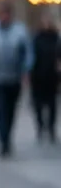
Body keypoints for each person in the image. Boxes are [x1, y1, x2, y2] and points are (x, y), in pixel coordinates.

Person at [0, 0, 33, 157]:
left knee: (10, 110)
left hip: (13, 78)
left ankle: (7, 137)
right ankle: (3, 142)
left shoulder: (20, 31)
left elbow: (27, 53)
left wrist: (26, 70)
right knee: (0, 110)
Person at [30, 13, 60, 142]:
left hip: (52, 76)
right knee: (38, 104)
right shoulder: (36, 38)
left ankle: (51, 127)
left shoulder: (56, 38)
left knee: (52, 104)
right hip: (38, 76)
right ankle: (40, 125)